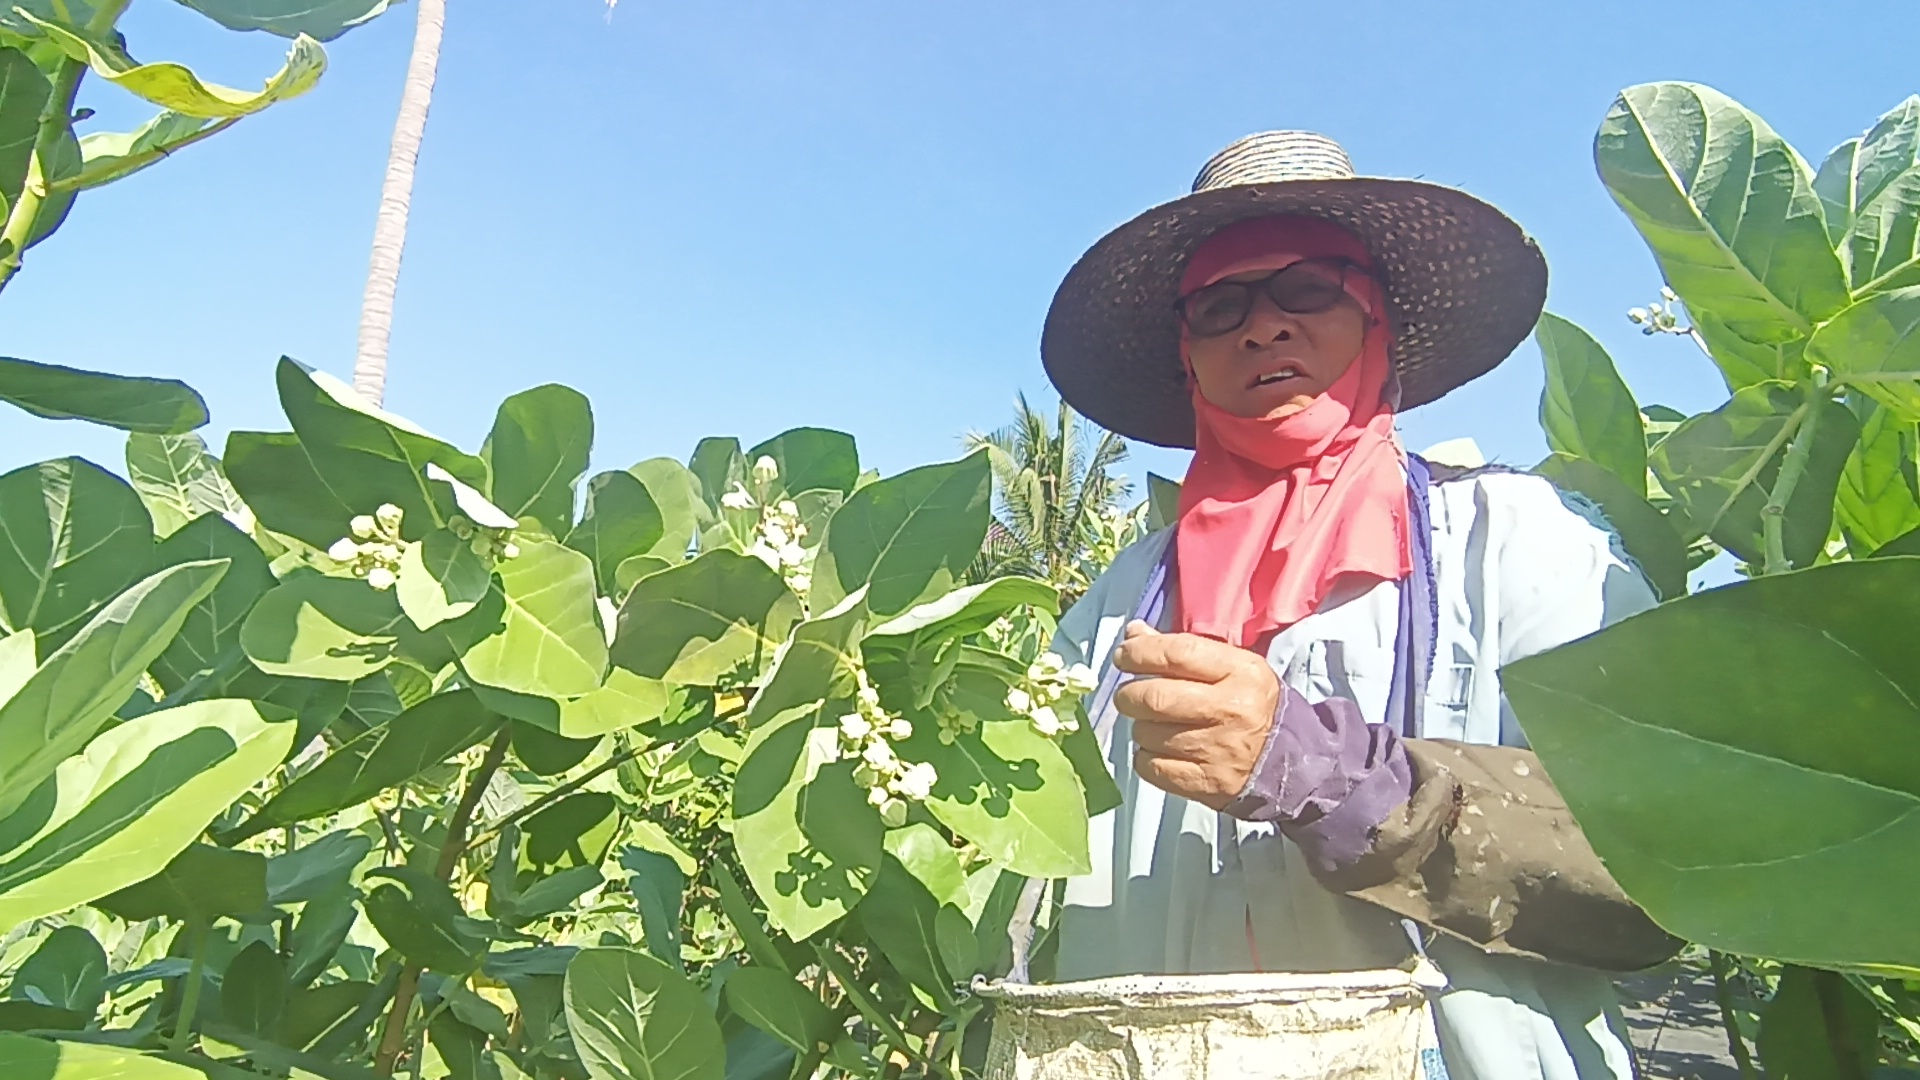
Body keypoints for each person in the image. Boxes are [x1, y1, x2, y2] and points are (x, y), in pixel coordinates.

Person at [1036, 131, 1682, 1080]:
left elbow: (1671, 866)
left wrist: (1325, 774)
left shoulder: (1520, 541)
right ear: (1188, 355)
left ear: (1376, 315)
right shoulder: (1116, 602)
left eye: (1307, 289)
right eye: (1220, 307)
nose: (1263, 328)